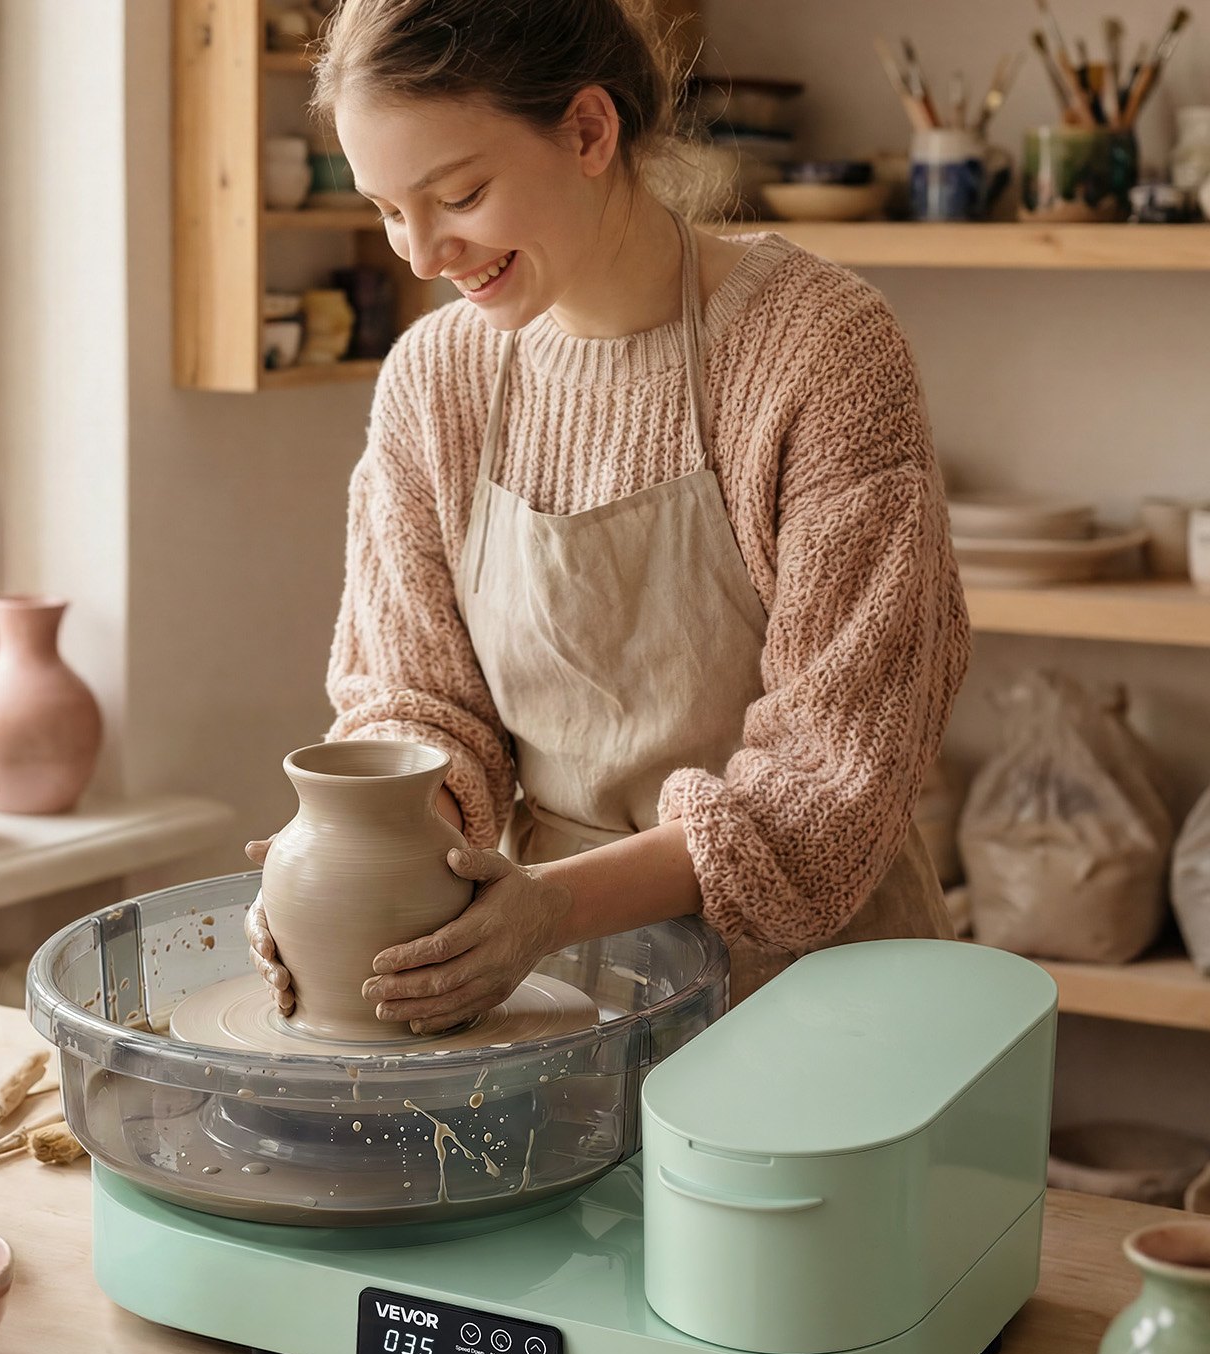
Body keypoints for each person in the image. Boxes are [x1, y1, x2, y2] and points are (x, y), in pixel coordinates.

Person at [247, 0, 968, 1031]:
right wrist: (352, 852)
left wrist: (554, 909)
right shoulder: (434, 379)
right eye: (386, 209)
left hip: (818, 999)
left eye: (457, 194)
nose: (420, 254)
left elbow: (830, 777)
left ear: (589, 131)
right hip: (548, 996)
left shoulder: (818, 351)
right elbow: (419, 703)